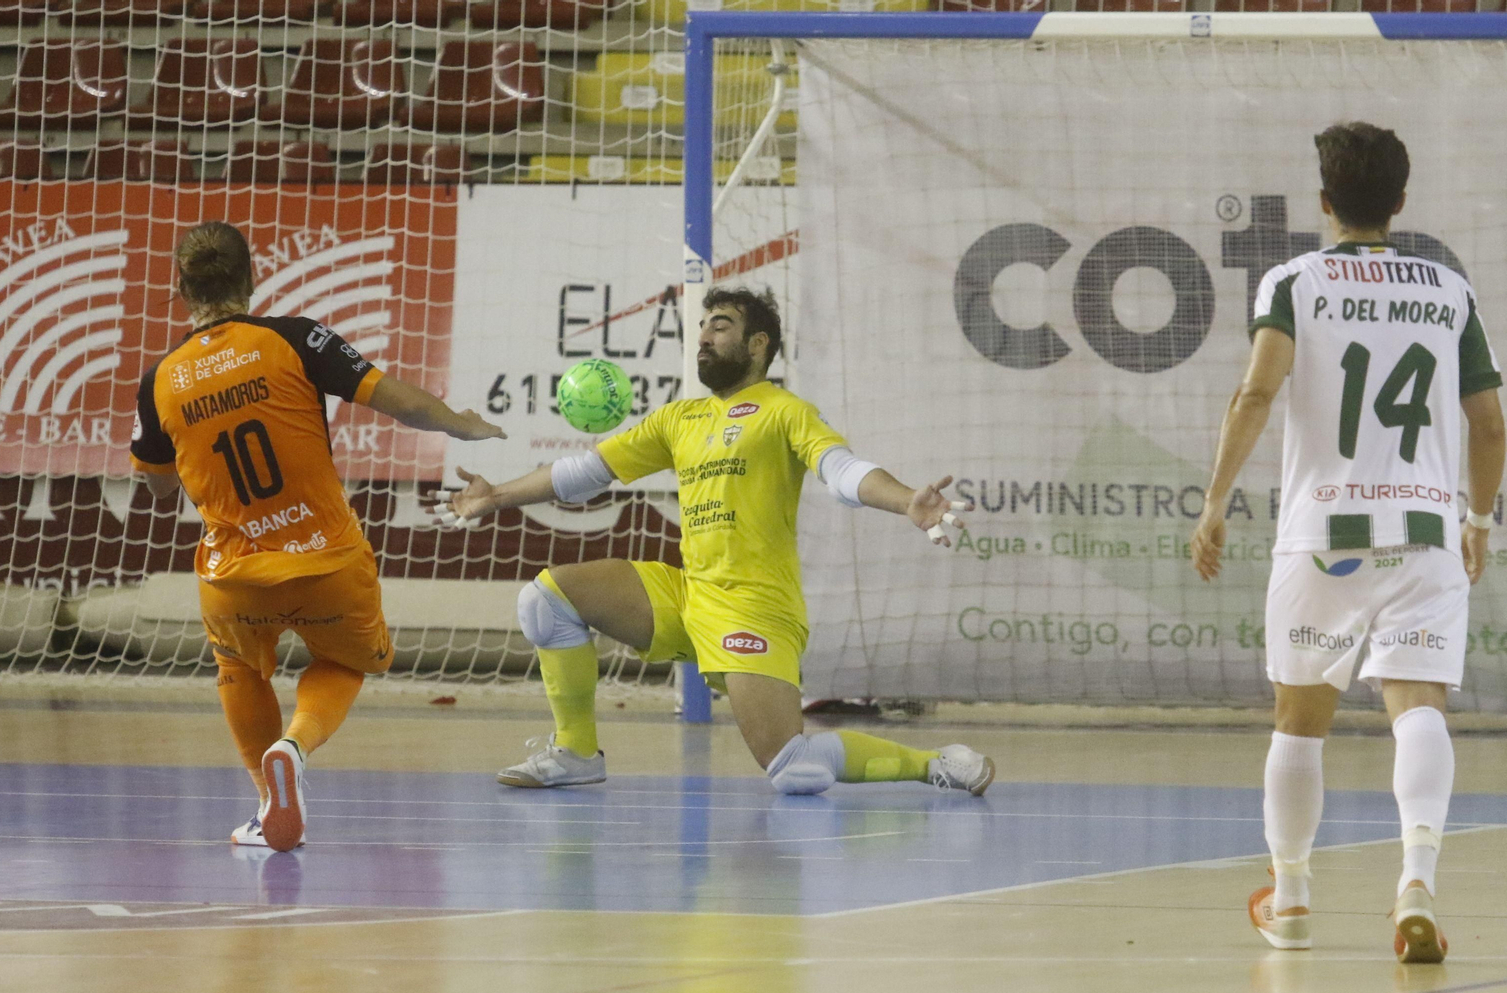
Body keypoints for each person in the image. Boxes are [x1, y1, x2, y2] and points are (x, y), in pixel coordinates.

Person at [433, 286, 995, 796]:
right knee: (545, 599)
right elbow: (585, 472)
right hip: (688, 595)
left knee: (794, 769)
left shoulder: (785, 411)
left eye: (720, 325)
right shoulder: (681, 418)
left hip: (755, 607)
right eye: (703, 325)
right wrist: (495, 496)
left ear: (757, 344)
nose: (704, 336)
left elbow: (842, 471)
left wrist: (905, 502)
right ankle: (576, 752)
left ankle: (933, 763)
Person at [1190, 124, 1504, 963]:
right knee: (1419, 710)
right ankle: (1417, 882)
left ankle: (1290, 898)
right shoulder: (1448, 291)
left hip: (1322, 533)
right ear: (1401, 202)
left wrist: (1215, 502)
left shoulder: (1294, 281)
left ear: (1324, 202)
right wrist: (1479, 521)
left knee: (1299, 725)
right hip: (1426, 531)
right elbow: (1490, 424)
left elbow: (1257, 391)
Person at [130, 221, 504, 851]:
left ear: (180, 290)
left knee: (235, 662)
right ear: (251, 279)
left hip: (234, 578)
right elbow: (400, 404)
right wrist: (459, 424)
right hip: (325, 560)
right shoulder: (295, 338)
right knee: (344, 659)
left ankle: (265, 802)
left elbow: (159, 488)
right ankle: (295, 745)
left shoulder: (158, 380)